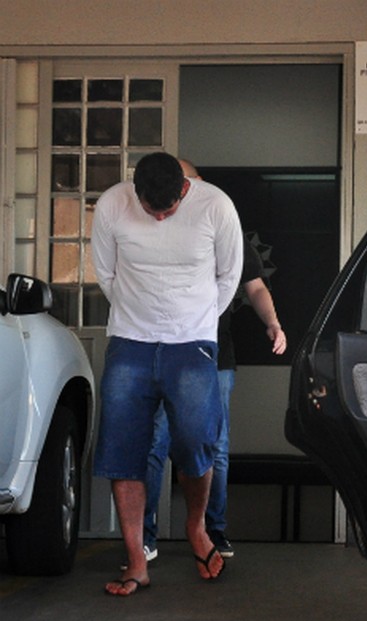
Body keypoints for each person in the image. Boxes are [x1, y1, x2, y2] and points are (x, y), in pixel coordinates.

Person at [91, 151, 243, 596]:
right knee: (124, 447)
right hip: (130, 342)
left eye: (168, 209)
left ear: (184, 189)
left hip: (192, 343)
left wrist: (193, 324)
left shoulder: (215, 206)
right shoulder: (111, 205)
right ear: (133, 191)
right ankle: (137, 561)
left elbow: (229, 276)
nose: (159, 217)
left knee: (197, 441)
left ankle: (196, 527)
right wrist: (142, 318)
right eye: (149, 209)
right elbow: (106, 274)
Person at [141, 160, 287, 561]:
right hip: (157, 350)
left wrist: (273, 323)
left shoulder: (222, 223)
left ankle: (213, 531)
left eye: (190, 183)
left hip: (213, 354)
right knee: (154, 443)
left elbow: (254, 284)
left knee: (214, 446)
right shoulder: (151, 224)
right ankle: (145, 537)